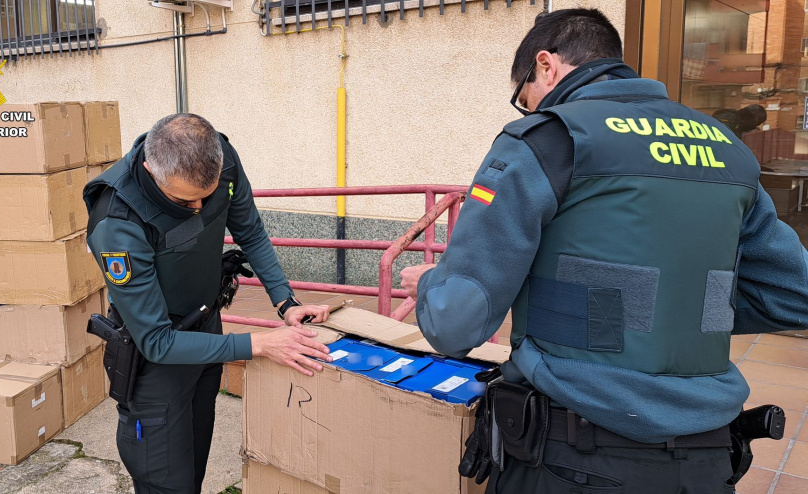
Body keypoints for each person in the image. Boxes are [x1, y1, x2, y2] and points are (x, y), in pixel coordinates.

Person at [401, 9, 808, 493]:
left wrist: (429, 283)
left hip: (573, 456)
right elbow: (795, 294)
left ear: (546, 65)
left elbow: (455, 323)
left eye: (524, 95)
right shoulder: (726, 149)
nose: (528, 108)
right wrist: (672, 311)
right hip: (707, 460)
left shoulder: (548, 139)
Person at [83, 113, 333, 494]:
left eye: (209, 193)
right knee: (167, 482)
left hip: (205, 330)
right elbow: (157, 341)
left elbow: (249, 229)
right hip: (155, 363)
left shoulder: (220, 157)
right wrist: (259, 344)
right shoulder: (118, 220)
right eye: (185, 199)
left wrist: (285, 301)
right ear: (151, 171)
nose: (199, 206)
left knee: (194, 466)